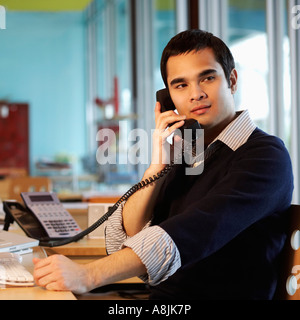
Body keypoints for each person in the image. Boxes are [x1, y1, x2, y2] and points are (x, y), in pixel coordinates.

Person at [33, 29, 294, 300]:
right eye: (180, 85)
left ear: (232, 80)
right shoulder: (188, 154)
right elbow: (125, 233)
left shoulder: (265, 156)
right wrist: (157, 167)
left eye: (207, 78)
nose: (195, 94)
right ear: (167, 98)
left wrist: (88, 275)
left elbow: (195, 230)